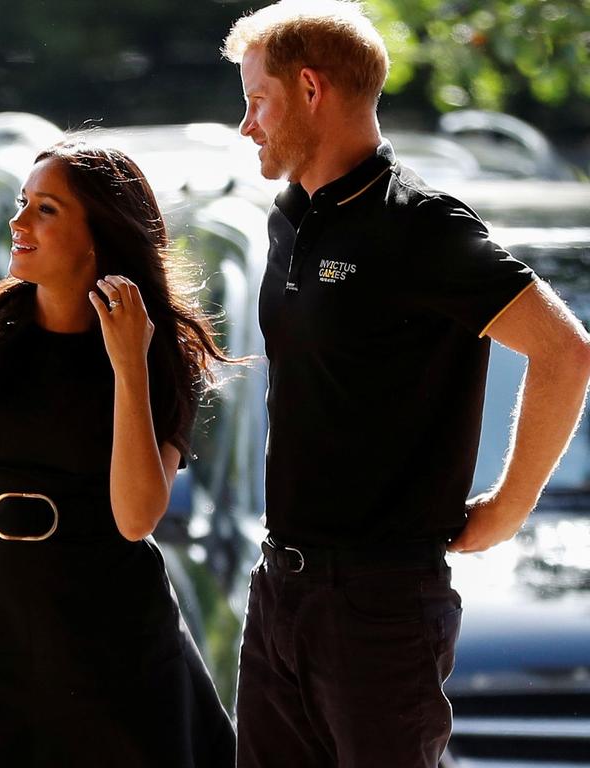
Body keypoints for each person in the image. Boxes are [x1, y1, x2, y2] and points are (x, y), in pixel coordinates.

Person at [222, 2, 590, 766]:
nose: (246, 123)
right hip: (278, 589)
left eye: (257, 98)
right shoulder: (288, 215)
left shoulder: (421, 224)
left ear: (311, 90)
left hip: (381, 604)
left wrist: (508, 508)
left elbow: (565, 351)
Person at [0, 137, 236, 767]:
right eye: (22, 202)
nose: (18, 222)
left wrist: (129, 367)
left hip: (108, 623)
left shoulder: (162, 351)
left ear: (102, 234)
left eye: (46, 209)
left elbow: (137, 516)